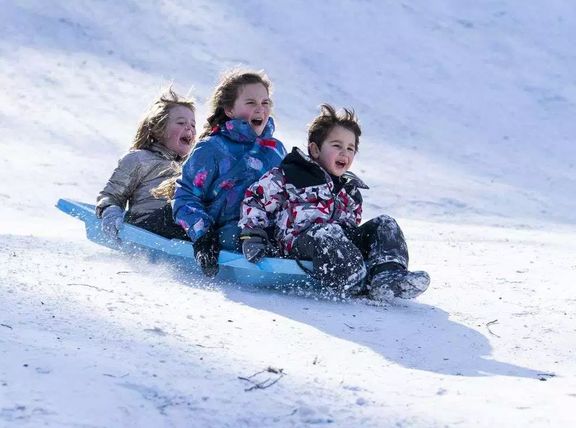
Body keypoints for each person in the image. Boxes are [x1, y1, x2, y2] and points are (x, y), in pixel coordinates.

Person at [238, 104, 430, 301]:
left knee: (385, 223)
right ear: (315, 149)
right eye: (337, 146)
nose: (344, 153)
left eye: (350, 148)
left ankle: (387, 276)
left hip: (338, 246)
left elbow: (352, 223)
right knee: (327, 231)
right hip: (299, 243)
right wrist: (252, 235)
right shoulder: (291, 174)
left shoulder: (350, 189)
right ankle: (353, 278)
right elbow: (256, 199)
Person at [172, 69, 287, 277]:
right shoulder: (211, 149)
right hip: (226, 232)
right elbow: (185, 196)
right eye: (251, 103)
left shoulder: (275, 149)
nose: (260, 109)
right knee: (234, 236)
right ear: (229, 110)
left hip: (267, 230)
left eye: (265, 102)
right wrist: (203, 236)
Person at [96, 87, 195, 240]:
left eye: (193, 125)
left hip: (180, 226)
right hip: (146, 224)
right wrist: (110, 213)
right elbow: (111, 195)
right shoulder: (138, 159)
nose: (189, 128)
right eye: (181, 123)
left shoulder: (191, 166)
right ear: (158, 129)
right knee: (178, 209)